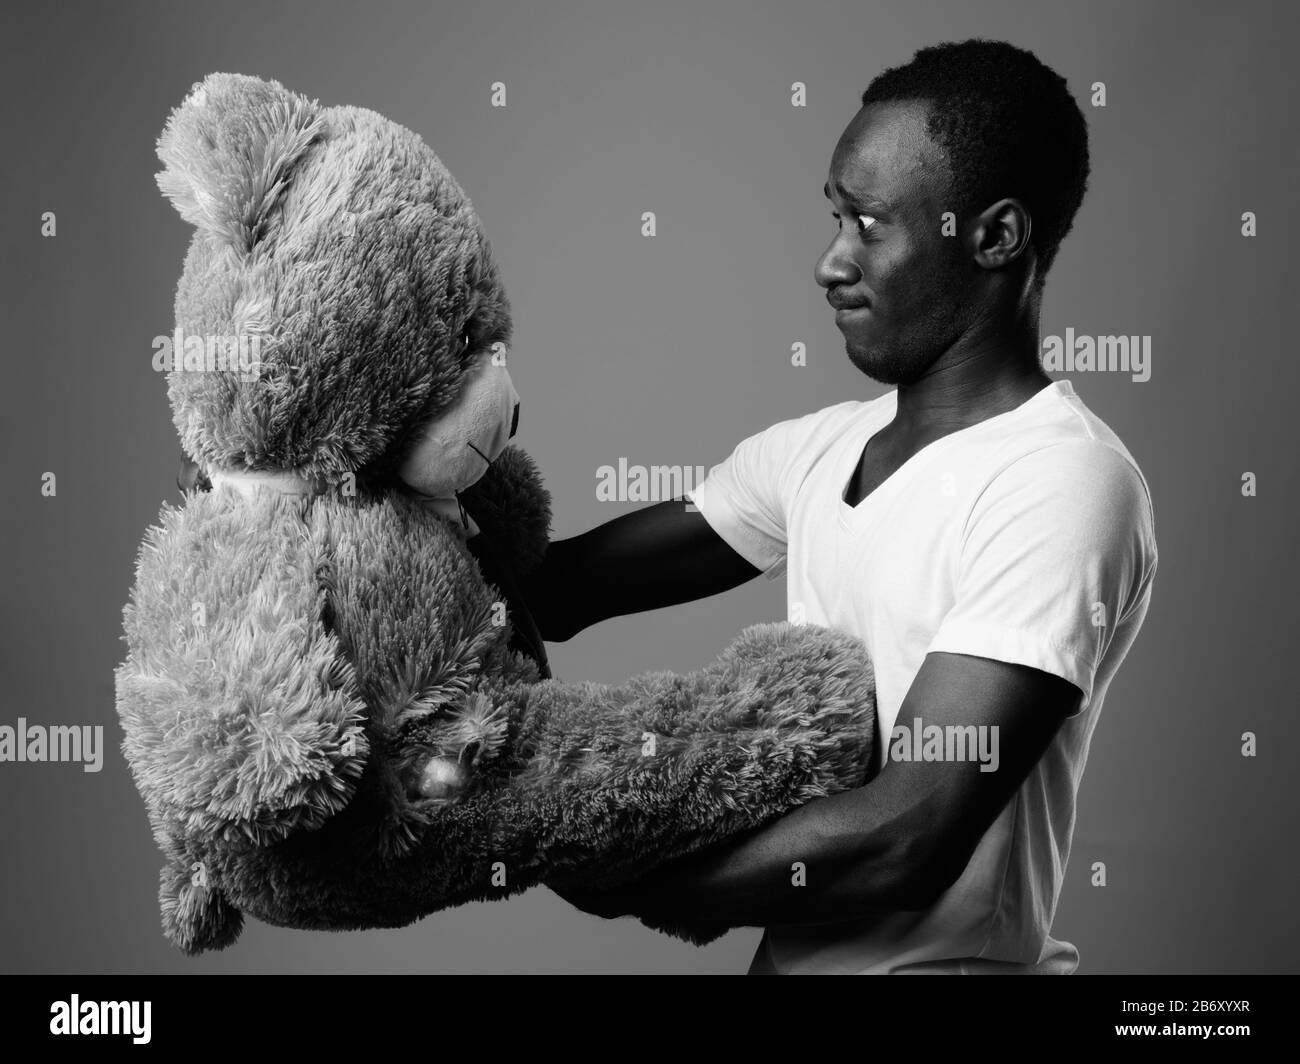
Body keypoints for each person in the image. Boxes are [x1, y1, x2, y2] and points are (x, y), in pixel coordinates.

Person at [526, 39, 1159, 974]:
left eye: (869, 224)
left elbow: (907, 833)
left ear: (995, 237)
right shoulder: (817, 449)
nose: (830, 263)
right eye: (835, 217)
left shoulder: (1061, 483)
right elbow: (555, 591)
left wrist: (631, 880)